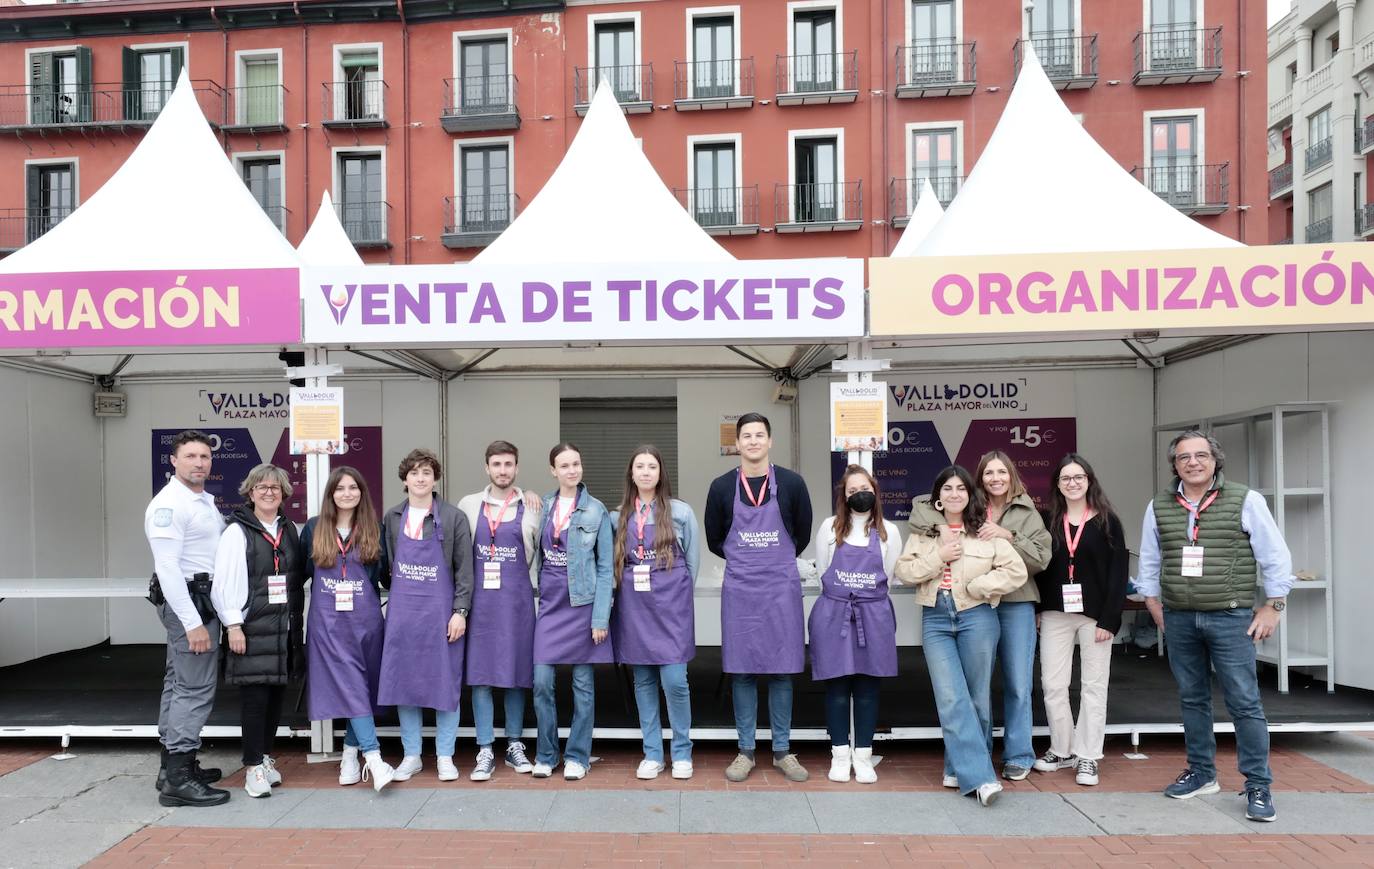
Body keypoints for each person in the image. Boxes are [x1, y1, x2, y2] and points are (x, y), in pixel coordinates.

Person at [1138, 430, 1293, 822]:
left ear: (1215, 460)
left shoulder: (1245, 499)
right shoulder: (1158, 505)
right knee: (1192, 698)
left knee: (1244, 701)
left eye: (1201, 455)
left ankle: (1258, 784)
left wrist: (1274, 606)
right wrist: (1154, 604)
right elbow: (1150, 562)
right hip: (1179, 617)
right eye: (1184, 457)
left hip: (1230, 616)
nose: (1192, 462)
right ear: (1174, 464)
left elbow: (1275, 556)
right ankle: (1202, 773)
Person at [907, 452, 1051, 782]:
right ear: (979, 478)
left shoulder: (1027, 511)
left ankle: (1017, 753)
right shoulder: (966, 501)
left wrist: (1008, 537)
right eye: (988, 472)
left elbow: (1042, 557)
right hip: (970, 606)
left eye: (1002, 471)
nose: (995, 478)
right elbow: (919, 511)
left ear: (1012, 475)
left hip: (1014, 601)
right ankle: (978, 757)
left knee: (1017, 682)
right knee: (975, 688)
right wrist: (940, 528)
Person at [894, 465, 1027, 807]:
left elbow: (1016, 571)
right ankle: (981, 777)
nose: (954, 494)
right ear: (937, 498)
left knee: (978, 699)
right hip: (936, 617)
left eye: (961, 489)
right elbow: (904, 571)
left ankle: (958, 768)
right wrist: (939, 556)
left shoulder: (984, 533)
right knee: (951, 697)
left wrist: (978, 586)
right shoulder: (924, 536)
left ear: (971, 495)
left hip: (977, 616)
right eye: (947, 489)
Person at [704, 412, 813, 783]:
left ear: (770, 441)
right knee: (742, 670)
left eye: (759, 435)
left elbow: (802, 534)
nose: (752, 441)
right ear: (737, 444)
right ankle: (745, 751)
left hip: (781, 588)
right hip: (741, 591)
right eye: (746, 436)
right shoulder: (721, 487)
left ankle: (783, 751)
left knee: (782, 671)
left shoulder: (792, 483)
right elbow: (714, 539)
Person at [378, 448, 474, 783]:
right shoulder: (392, 517)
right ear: (405, 479)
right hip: (403, 616)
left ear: (435, 478)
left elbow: (465, 571)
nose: (420, 478)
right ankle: (412, 755)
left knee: (445, 684)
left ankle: (445, 756)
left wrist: (460, 611)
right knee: (405, 684)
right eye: (415, 472)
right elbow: (386, 567)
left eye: (427, 473)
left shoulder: (452, 517)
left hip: (442, 616)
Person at [1032, 454, 1128, 787]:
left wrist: (1110, 619)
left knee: (1093, 686)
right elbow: (1042, 569)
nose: (1073, 483)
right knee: (1053, 685)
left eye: (1079, 477)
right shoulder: (1048, 520)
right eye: (1066, 479)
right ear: (1057, 485)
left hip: (1095, 617)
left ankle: (1088, 755)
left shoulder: (1107, 521)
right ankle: (1062, 749)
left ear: (1089, 481)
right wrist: (1039, 610)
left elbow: (1118, 574)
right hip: (1056, 614)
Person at [211, 463, 306, 798]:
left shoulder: (289, 528)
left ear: (283, 495)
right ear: (250, 493)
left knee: (275, 700)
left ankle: (265, 758)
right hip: (251, 629)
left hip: (283, 631)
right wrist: (232, 625)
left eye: (275, 488)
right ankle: (252, 768)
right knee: (255, 701)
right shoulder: (237, 531)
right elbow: (224, 583)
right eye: (262, 487)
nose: (269, 493)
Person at [145, 429, 229, 807]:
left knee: (177, 681)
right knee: (194, 688)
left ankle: (172, 768)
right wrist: (193, 622)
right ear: (173, 461)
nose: (199, 462)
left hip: (197, 601)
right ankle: (179, 778)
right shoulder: (169, 505)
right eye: (191, 456)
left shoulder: (200, 500)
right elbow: (167, 568)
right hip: (189, 606)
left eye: (205, 457)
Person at [300, 466, 396, 791]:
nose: (346, 493)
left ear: (361, 492)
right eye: (340, 488)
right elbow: (298, 573)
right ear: (331, 494)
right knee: (353, 685)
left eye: (352, 487)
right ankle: (375, 758)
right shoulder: (314, 528)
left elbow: (386, 577)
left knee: (364, 688)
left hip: (367, 623)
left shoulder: (374, 529)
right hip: (328, 625)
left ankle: (349, 757)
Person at [610, 445, 701, 780]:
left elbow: (692, 561)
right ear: (631, 474)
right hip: (635, 608)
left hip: (672, 606)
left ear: (661, 473)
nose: (646, 472)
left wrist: (677, 595)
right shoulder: (617, 515)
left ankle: (681, 752)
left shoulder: (680, 512)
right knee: (644, 681)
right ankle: (652, 753)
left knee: (675, 681)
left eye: (652, 466)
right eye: (640, 466)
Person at [457, 441, 543, 781]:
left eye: (509, 464)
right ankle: (484, 747)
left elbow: (541, 554)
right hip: (479, 604)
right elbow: (459, 555)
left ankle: (514, 744)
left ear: (517, 468)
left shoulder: (533, 506)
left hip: (518, 603)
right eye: (497, 464)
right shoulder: (467, 505)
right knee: (481, 677)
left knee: (516, 676)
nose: (503, 470)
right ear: (487, 468)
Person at [811, 465, 900, 784]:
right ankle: (838, 755)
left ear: (875, 490)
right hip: (835, 613)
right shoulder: (829, 528)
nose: (858, 494)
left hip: (872, 615)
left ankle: (863, 756)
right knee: (836, 688)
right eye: (851, 490)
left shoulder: (889, 531)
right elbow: (823, 570)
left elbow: (888, 576)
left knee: (867, 689)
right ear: (843, 496)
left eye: (864, 488)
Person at [532, 442, 615, 780]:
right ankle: (547, 754)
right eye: (564, 465)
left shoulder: (597, 511)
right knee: (541, 682)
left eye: (576, 464)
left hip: (582, 606)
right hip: (550, 608)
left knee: (583, 685)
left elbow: (606, 568)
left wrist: (600, 618)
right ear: (553, 470)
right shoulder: (542, 506)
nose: (572, 470)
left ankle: (578, 756)